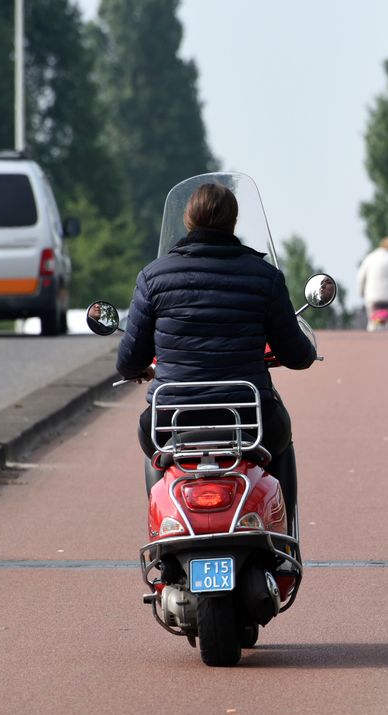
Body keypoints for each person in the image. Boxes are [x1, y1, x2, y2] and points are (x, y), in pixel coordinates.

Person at [115, 182, 316, 531]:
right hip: (249, 416)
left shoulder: (153, 276)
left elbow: (128, 361)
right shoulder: (264, 277)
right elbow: (297, 356)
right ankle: (285, 539)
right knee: (281, 440)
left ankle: (165, 532)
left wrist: (144, 368)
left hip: (173, 418)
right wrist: (304, 348)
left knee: (153, 447)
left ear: (188, 220)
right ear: (233, 222)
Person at [356, 236, 388, 331]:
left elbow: (360, 277)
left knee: (371, 320)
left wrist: (361, 293)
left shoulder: (370, 258)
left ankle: (371, 333)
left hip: (372, 297)